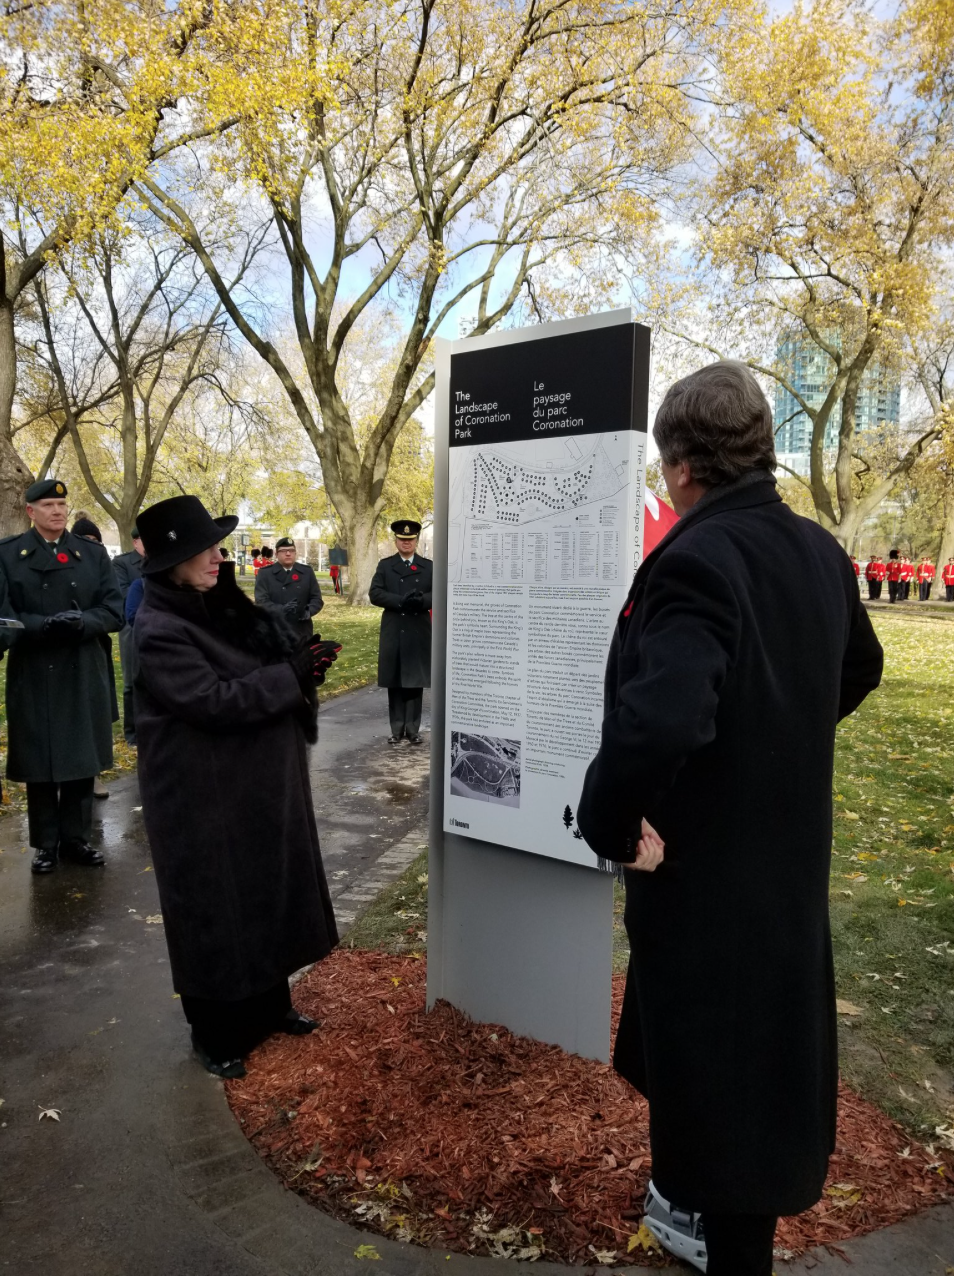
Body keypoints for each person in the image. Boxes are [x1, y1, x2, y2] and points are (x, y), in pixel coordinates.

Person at [576, 362, 883, 1276]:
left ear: (678, 467)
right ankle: (707, 1214)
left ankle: (725, 1241)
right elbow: (857, 669)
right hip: (781, 873)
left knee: (724, 1092)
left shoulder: (699, 558)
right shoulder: (818, 551)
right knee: (744, 1077)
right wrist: (773, 733)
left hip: (709, 884)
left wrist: (609, 819)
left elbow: (662, 717)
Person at [133, 495, 342, 1078]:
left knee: (262, 889)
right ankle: (215, 1032)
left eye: (219, 547)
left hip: (250, 787)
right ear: (173, 561)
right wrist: (289, 676)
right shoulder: (158, 627)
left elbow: (256, 665)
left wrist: (300, 662)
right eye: (208, 550)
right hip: (199, 797)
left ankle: (272, 1007)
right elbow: (210, 700)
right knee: (213, 907)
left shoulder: (217, 605)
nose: (220, 559)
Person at [0, 480, 124, 873]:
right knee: (41, 760)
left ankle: (75, 838)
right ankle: (46, 844)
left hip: (81, 665)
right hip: (34, 669)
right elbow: (3, 617)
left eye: (62, 504)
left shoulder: (91, 554)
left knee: (80, 756)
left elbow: (114, 610)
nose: (57, 511)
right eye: (49, 504)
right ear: (31, 511)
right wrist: (40, 626)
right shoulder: (8, 555)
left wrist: (82, 621)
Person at [370, 520, 432, 746]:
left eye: (411, 540)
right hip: (395, 627)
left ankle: (413, 729)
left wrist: (422, 600)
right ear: (396, 541)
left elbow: (440, 593)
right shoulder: (385, 566)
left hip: (418, 628)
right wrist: (399, 601)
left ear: (416, 541)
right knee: (395, 680)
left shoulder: (429, 566)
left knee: (415, 681)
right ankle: (396, 729)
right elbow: (375, 593)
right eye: (402, 540)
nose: (406, 543)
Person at [71, 516, 120, 799]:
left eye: (96, 542)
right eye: (85, 541)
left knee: (96, 717)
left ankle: (94, 775)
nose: (91, 547)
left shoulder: (103, 568)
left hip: (96, 648)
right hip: (66, 651)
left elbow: (114, 610)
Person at [112, 527, 145, 745]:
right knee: (132, 681)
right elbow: (122, 594)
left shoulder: (163, 561)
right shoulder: (122, 564)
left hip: (159, 626)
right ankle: (132, 732)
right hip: (131, 629)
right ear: (135, 542)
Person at [254, 536, 323, 639]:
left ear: (295, 553)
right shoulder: (265, 573)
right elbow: (261, 601)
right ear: (276, 554)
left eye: (291, 550)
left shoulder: (306, 572)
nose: (288, 553)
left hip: (301, 629)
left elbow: (316, 598)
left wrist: (309, 610)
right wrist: (281, 609)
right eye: (283, 551)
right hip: (275, 630)